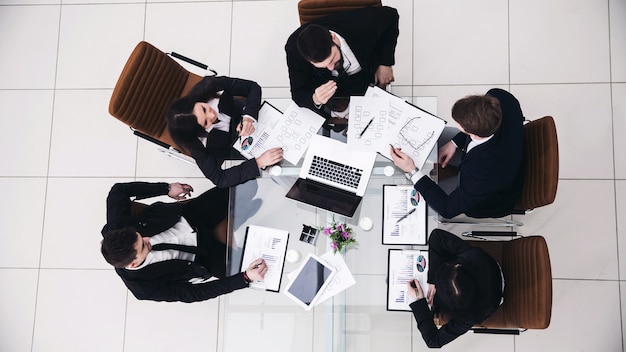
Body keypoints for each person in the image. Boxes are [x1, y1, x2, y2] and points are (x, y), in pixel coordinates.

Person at [100, 181, 268, 302]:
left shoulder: (116, 228)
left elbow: (118, 191)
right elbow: (193, 294)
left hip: (193, 216)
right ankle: (236, 217)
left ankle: (235, 217)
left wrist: (166, 188)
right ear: (133, 264)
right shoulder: (142, 287)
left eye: (139, 235)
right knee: (262, 266)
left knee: (250, 185)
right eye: (143, 245)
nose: (146, 238)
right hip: (204, 258)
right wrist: (244, 278)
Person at [390, 88, 524, 219]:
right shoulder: (500, 97)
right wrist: (454, 143)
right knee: (436, 138)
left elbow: (447, 209)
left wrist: (413, 171)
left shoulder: (484, 174)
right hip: (490, 155)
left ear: (472, 133)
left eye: (460, 125)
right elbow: (478, 129)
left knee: (421, 206)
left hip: (485, 193)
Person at [285, 6, 399, 121]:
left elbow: (392, 16)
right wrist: (315, 99)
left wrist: (385, 63)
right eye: (323, 66)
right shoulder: (294, 49)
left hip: (367, 77)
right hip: (332, 97)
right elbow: (298, 93)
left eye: (332, 60)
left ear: (333, 38)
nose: (330, 67)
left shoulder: (364, 23)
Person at [166, 76, 283, 188]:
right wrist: (258, 162)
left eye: (204, 108)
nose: (212, 114)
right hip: (236, 146)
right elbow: (219, 179)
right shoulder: (195, 144)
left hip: (247, 116)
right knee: (279, 164)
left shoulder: (209, 85)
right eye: (206, 122)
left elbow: (252, 87)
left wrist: (248, 117)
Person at [407, 229, 504, 348]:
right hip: (490, 270)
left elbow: (434, 341)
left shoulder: (468, 316)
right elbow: (436, 236)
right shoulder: (473, 257)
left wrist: (420, 301)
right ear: (458, 266)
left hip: (495, 297)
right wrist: (432, 280)